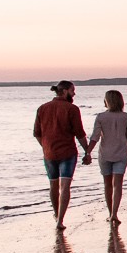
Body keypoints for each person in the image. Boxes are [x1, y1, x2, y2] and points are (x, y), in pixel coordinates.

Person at [33, 81, 90, 227]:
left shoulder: (42, 108)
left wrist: (45, 146)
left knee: (53, 185)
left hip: (49, 153)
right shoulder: (72, 109)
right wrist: (87, 151)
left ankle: (57, 214)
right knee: (65, 186)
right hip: (67, 152)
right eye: (72, 90)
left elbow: (37, 134)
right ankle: (60, 220)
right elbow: (80, 134)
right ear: (64, 91)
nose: (74, 93)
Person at [85, 89, 127, 225]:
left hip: (105, 154)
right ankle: (114, 214)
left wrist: (88, 152)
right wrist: (122, 146)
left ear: (107, 101)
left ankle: (109, 213)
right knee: (118, 185)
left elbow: (95, 137)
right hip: (121, 154)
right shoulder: (125, 116)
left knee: (107, 185)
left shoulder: (101, 117)